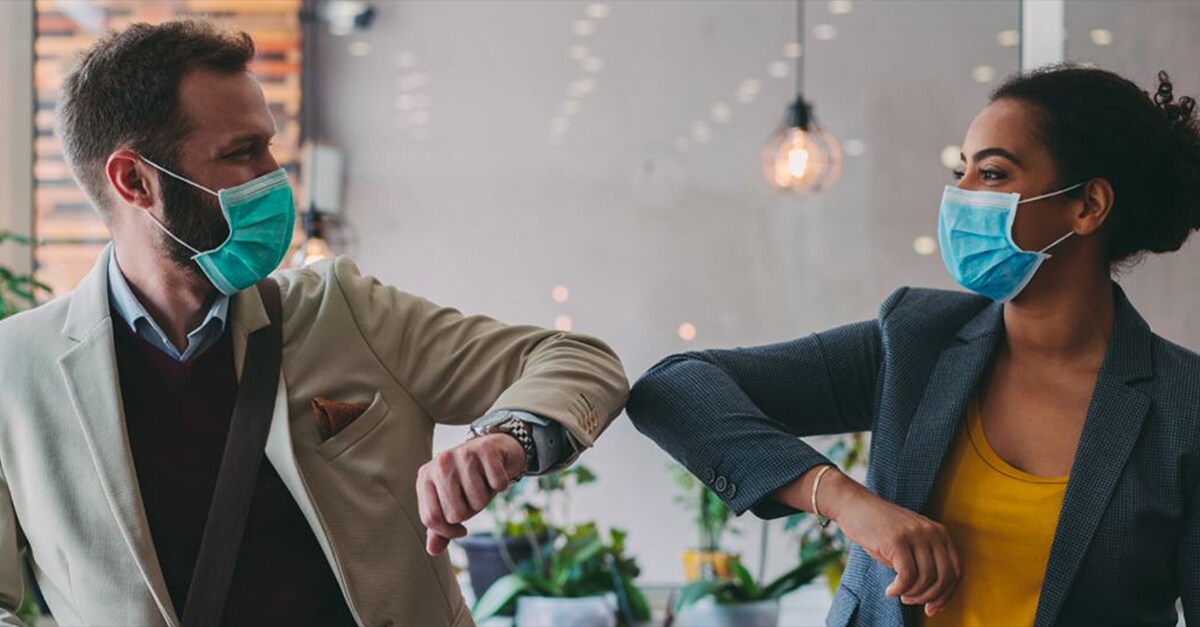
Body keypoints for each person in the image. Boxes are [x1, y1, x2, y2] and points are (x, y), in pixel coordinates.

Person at [0, 20, 628, 626]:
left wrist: (504, 437)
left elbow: (578, 361)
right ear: (134, 180)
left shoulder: (343, 308)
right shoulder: (14, 370)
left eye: (268, 144)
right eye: (241, 152)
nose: (274, 174)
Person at [627, 66, 1200, 627]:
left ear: (1087, 206)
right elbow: (672, 387)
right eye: (961, 171)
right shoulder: (914, 343)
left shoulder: (1185, 406)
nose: (960, 196)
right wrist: (848, 503)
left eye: (993, 175)